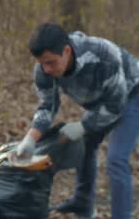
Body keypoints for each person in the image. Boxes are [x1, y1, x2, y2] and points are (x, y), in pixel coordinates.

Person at [13, 23, 139, 219]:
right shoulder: (44, 70)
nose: (46, 69)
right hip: (99, 101)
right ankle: (83, 203)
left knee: (116, 159)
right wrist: (30, 139)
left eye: (51, 62)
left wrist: (83, 126)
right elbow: (48, 106)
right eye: (42, 63)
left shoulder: (102, 55)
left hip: (131, 95)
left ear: (66, 51)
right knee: (84, 147)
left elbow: (116, 104)